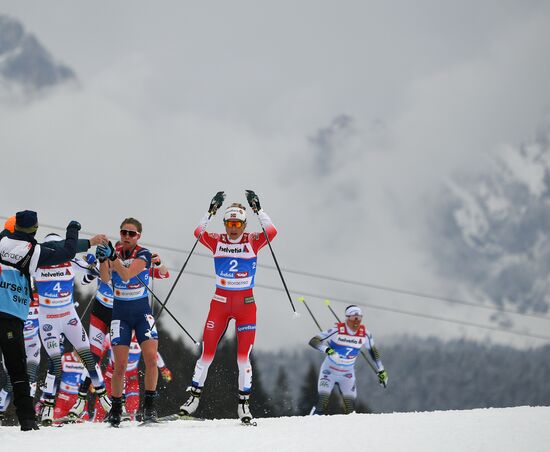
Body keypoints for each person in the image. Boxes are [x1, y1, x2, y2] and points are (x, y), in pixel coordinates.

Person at [179, 190, 276, 424]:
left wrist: (258, 210)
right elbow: (197, 232)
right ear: (225, 224)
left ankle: (243, 405)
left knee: (243, 358)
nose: (233, 228)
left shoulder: (252, 240)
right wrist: (210, 211)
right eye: (230, 223)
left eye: (238, 224)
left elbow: (272, 231)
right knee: (207, 353)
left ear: (244, 225)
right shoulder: (217, 240)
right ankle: (193, 398)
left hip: (245, 306)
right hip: (220, 304)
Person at [0, 210, 80, 430]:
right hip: (10, 315)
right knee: (18, 372)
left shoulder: (2, 240)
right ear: (35, 229)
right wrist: (73, 230)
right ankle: (27, 420)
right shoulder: (34, 251)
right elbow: (68, 252)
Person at [69, 250, 169, 418]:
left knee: (118, 362)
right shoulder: (106, 265)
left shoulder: (132, 267)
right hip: (101, 311)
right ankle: (81, 398)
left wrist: (158, 263)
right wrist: (94, 266)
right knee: (93, 356)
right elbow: (85, 280)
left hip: (119, 313)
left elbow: (163, 275)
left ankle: (119, 404)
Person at [35, 232, 113, 425]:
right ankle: (48, 407)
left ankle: (105, 399)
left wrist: (96, 260)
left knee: (87, 356)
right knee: (55, 362)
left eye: (57, 246)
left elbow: (92, 276)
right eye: (49, 247)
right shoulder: (35, 262)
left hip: (69, 318)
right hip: (48, 321)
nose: (53, 251)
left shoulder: (70, 260)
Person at [96, 218, 159, 426]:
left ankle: (149, 408)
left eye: (131, 234)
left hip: (142, 313)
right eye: (124, 232)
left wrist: (112, 257)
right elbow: (105, 279)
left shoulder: (143, 254)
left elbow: (126, 274)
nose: (127, 237)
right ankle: (115, 409)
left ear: (138, 236)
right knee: (120, 365)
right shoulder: (113, 251)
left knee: (150, 359)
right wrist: (102, 259)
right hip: (120, 313)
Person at [308, 305, 389, 414]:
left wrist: (381, 370)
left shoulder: (365, 334)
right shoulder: (337, 330)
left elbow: (373, 352)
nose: (356, 322)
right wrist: (328, 350)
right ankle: (312, 422)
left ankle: (348, 429)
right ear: (347, 318)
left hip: (347, 373)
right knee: (323, 401)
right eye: (353, 318)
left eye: (359, 318)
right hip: (329, 370)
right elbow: (314, 341)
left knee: (350, 407)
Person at [93, 333, 172, 422]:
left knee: (132, 406)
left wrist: (163, 369)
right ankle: (96, 424)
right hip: (111, 379)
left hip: (131, 379)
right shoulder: (111, 336)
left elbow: (154, 354)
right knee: (101, 408)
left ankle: (130, 424)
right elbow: (97, 356)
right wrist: (95, 378)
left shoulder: (141, 335)